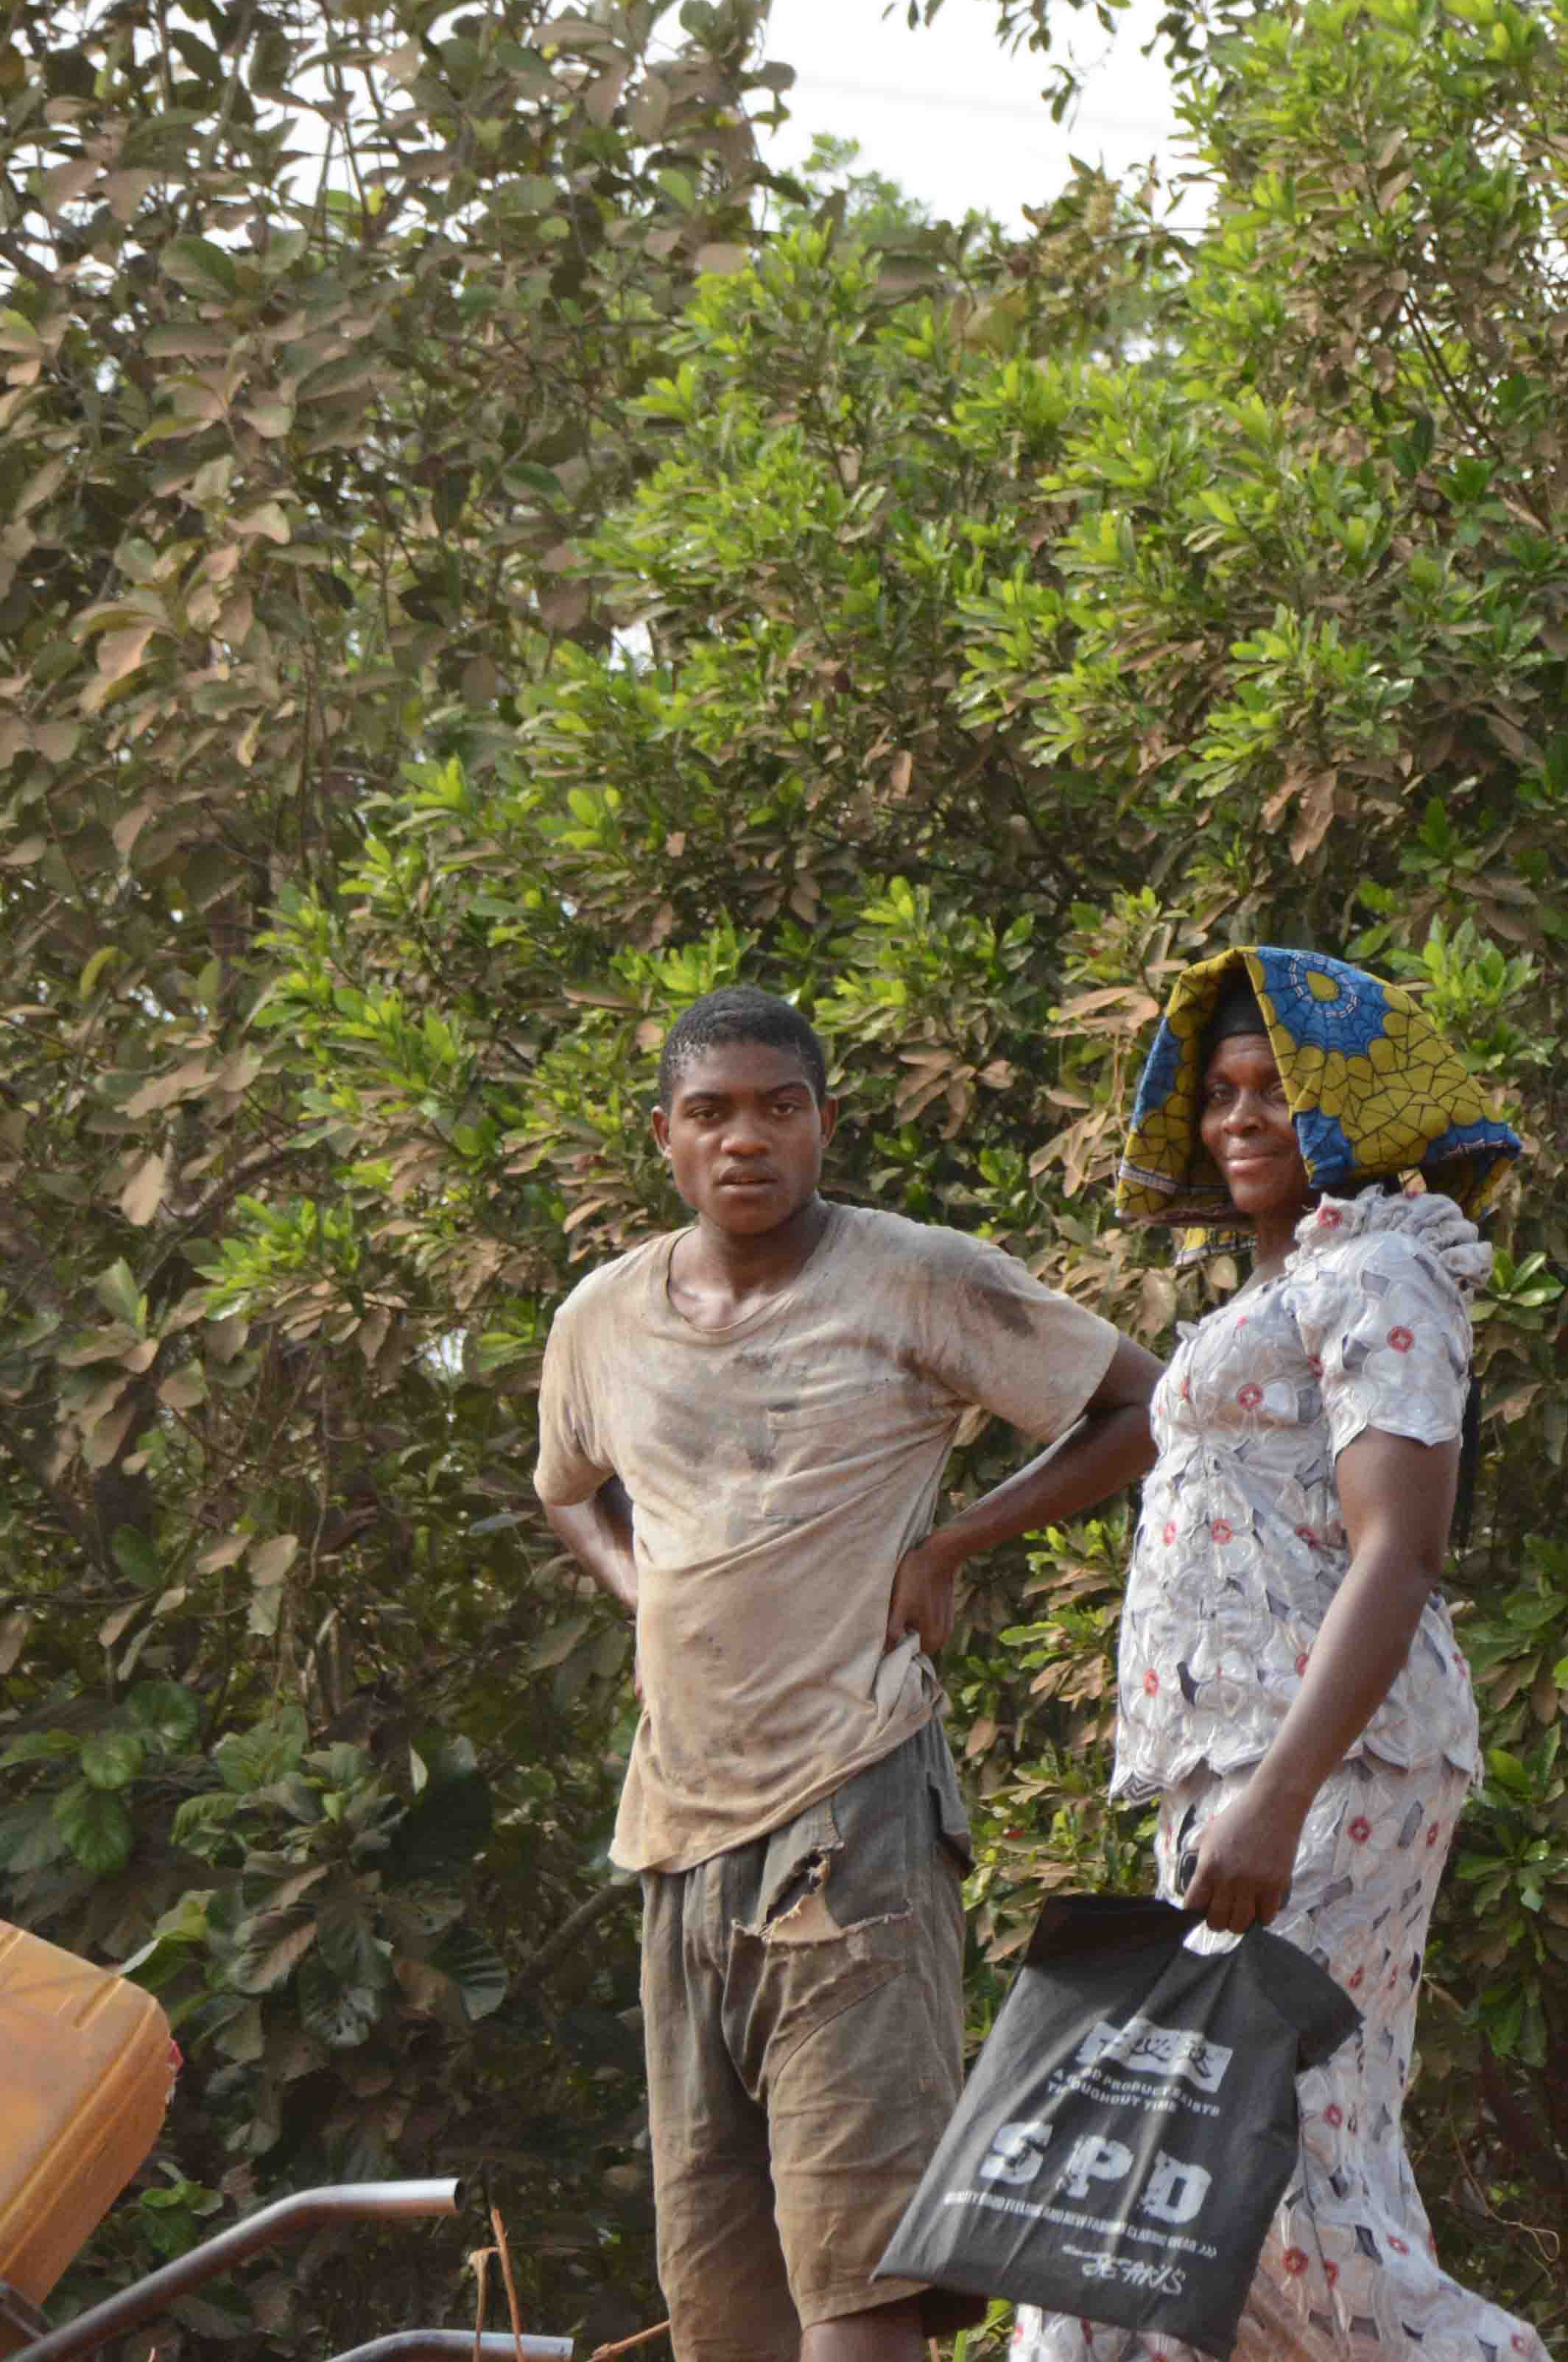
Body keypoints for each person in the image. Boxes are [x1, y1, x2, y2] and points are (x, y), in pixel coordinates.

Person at [536, 985, 1163, 2362]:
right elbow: (567, 1489)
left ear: (824, 1123)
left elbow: (1140, 1405)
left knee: (863, 2283)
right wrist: (646, 1594)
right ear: (664, 1137)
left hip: (853, 1814)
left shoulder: (914, 1275)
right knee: (725, 2295)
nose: (745, 1140)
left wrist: (955, 1543)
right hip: (679, 1840)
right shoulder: (602, 1319)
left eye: (779, 1108)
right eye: (711, 1114)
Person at [1013, 945, 1549, 2362]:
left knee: (1255, 2158)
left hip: (1326, 1769)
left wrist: (1280, 1796)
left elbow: (1400, 1552)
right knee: (1183, 2173)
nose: (1240, 1118)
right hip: (1230, 1770)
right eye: (1220, 1092)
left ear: (1352, 1106)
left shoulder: (1381, 1269)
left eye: (1276, 1088)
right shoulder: (1276, 1289)